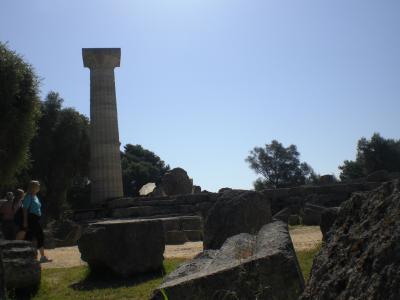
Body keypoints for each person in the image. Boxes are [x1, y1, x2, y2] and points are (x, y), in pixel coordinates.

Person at [22, 180, 52, 263]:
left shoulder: (35, 196)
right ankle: (42, 257)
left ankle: (24, 255)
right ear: (34, 187)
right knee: (39, 236)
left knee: (29, 237)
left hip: (36, 218)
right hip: (32, 219)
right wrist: (25, 221)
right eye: (38, 185)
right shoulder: (29, 197)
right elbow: (24, 210)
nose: (39, 186)